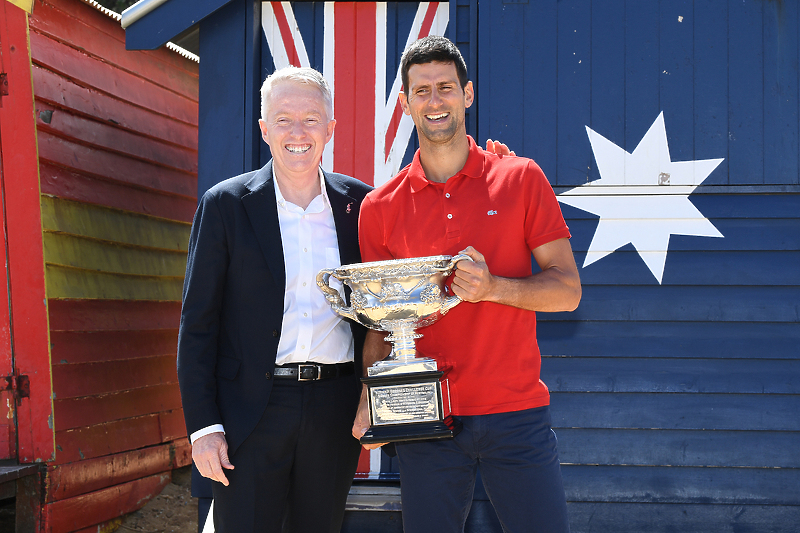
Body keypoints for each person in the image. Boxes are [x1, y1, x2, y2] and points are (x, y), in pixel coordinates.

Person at [352, 36, 582, 533]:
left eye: (446, 88)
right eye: (422, 91)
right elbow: (379, 326)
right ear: (405, 103)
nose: (435, 101)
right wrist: (370, 396)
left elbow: (568, 291)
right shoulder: (380, 207)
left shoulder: (520, 178)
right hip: (425, 415)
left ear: (468, 94)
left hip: (516, 413)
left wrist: (495, 287)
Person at [177, 66, 371, 533]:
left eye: (310, 118)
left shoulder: (360, 206)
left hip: (334, 410)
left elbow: (376, 319)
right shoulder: (225, 204)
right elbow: (197, 323)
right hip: (249, 412)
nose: (297, 132)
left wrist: (371, 397)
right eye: (283, 119)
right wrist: (204, 428)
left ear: (330, 128)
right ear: (264, 129)